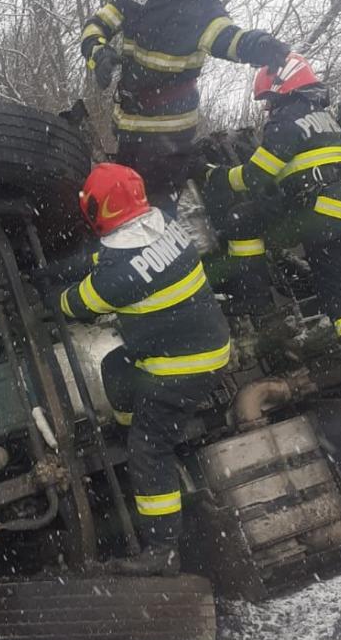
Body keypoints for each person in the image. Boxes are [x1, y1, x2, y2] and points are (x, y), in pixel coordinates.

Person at [53, 162, 231, 574]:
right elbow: (113, 253)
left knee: (148, 450)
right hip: (206, 345)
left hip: (178, 368)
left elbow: (74, 306)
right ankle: (148, 426)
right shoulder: (164, 223)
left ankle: (163, 551)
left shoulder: (116, 277)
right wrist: (74, 265)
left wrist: (49, 288)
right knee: (118, 370)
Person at [207, 54, 341, 400]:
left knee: (241, 221)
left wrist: (217, 176)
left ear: (283, 90)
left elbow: (256, 174)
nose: (268, 109)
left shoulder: (287, 121)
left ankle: (259, 308)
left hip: (314, 214)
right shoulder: (325, 120)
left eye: (269, 101)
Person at [80, 0, 291, 201]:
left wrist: (258, 44)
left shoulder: (203, 5)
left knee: (158, 211)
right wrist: (98, 53)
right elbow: (96, 25)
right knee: (128, 204)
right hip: (129, 126)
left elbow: (227, 37)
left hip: (172, 134)